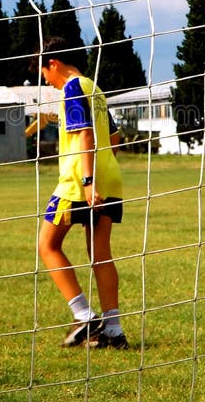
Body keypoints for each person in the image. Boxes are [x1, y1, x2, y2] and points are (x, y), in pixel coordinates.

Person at [26, 37, 128, 349]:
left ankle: (84, 315)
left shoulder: (71, 87)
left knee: (47, 244)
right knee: (100, 254)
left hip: (79, 181)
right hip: (110, 176)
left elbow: (84, 133)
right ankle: (114, 330)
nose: (47, 80)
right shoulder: (95, 89)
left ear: (53, 63)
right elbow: (113, 137)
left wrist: (87, 181)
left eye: (44, 72)